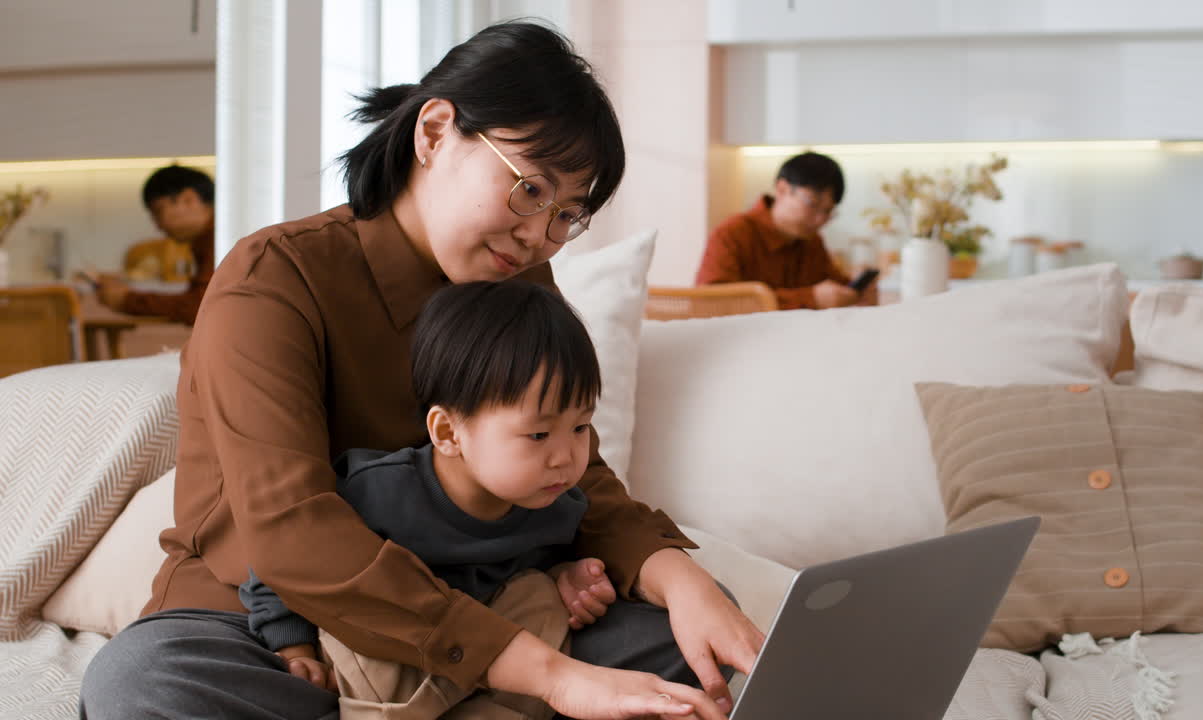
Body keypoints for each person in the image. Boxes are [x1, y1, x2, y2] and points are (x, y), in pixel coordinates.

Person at [80, 21, 761, 720]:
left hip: (488, 601)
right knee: (141, 684)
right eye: (529, 190)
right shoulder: (273, 278)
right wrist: (550, 676)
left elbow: (567, 472)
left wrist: (676, 577)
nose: (538, 234)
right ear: (435, 133)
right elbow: (292, 533)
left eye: (567, 215)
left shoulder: (522, 280)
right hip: (275, 628)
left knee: (690, 648)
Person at [238, 280, 634, 717]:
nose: (566, 457)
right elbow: (284, 561)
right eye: (538, 434)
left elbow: (530, 575)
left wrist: (567, 576)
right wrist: (295, 648)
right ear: (448, 433)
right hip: (385, 665)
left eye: (581, 428)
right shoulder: (377, 492)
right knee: (366, 627)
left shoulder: (559, 507)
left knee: (541, 598)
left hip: (482, 665)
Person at [696, 152, 877, 310]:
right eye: (813, 204)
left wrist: (854, 291)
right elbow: (711, 304)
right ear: (782, 189)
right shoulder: (732, 233)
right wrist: (809, 299)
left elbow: (830, 289)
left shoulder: (811, 241)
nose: (820, 219)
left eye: (828, 211)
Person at [94, 164, 216, 325]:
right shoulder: (208, 238)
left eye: (158, 211)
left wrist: (127, 300)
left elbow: (202, 307)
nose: (158, 225)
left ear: (189, 199)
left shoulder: (219, 237)